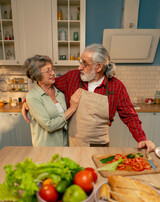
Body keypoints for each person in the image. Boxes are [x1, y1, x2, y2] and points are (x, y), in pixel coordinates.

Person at [22, 44, 155, 152]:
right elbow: (45, 85)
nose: (79, 67)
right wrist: (27, 101)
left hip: (99, 147)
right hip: (72, 145)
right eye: (81, 62)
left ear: (98, 67)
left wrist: (141, 138)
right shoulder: (72, 77)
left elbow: (129, 116)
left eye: (85, 64)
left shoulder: (116, 87)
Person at [23, 55, 81, 146]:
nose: (53, 73)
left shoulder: (60, 93)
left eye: (53, 69)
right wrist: (72, 108)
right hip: (46, 149)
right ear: (37, 74)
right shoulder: (32, 97)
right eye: (48, 71)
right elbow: (49, 125)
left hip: (65, 145)